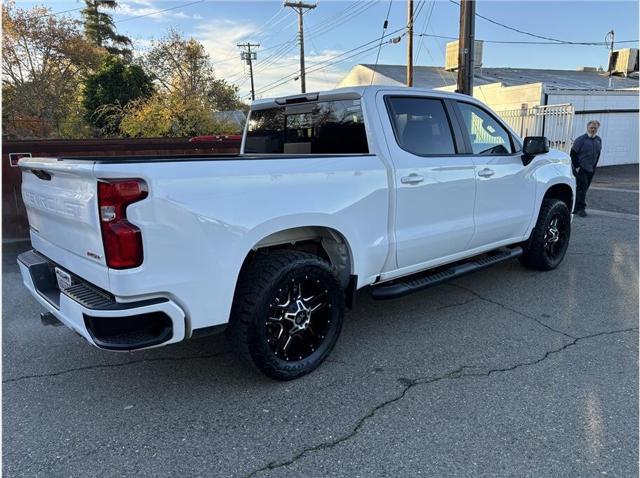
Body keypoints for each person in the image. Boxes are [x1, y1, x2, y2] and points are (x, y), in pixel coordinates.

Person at [570, 120, 602, 217]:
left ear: (597, 129)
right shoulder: (580, 140)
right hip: (581, 168)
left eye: (595, 128)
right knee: (582, 189)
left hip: (591, 168)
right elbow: (573, 154)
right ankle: (581, 209)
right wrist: (577, 167)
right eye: (591, 127)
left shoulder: (598, 140)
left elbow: (598, 153)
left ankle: (575, 207)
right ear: (587, 128)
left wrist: (594, 166)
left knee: (584, 188)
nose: (593, 130)